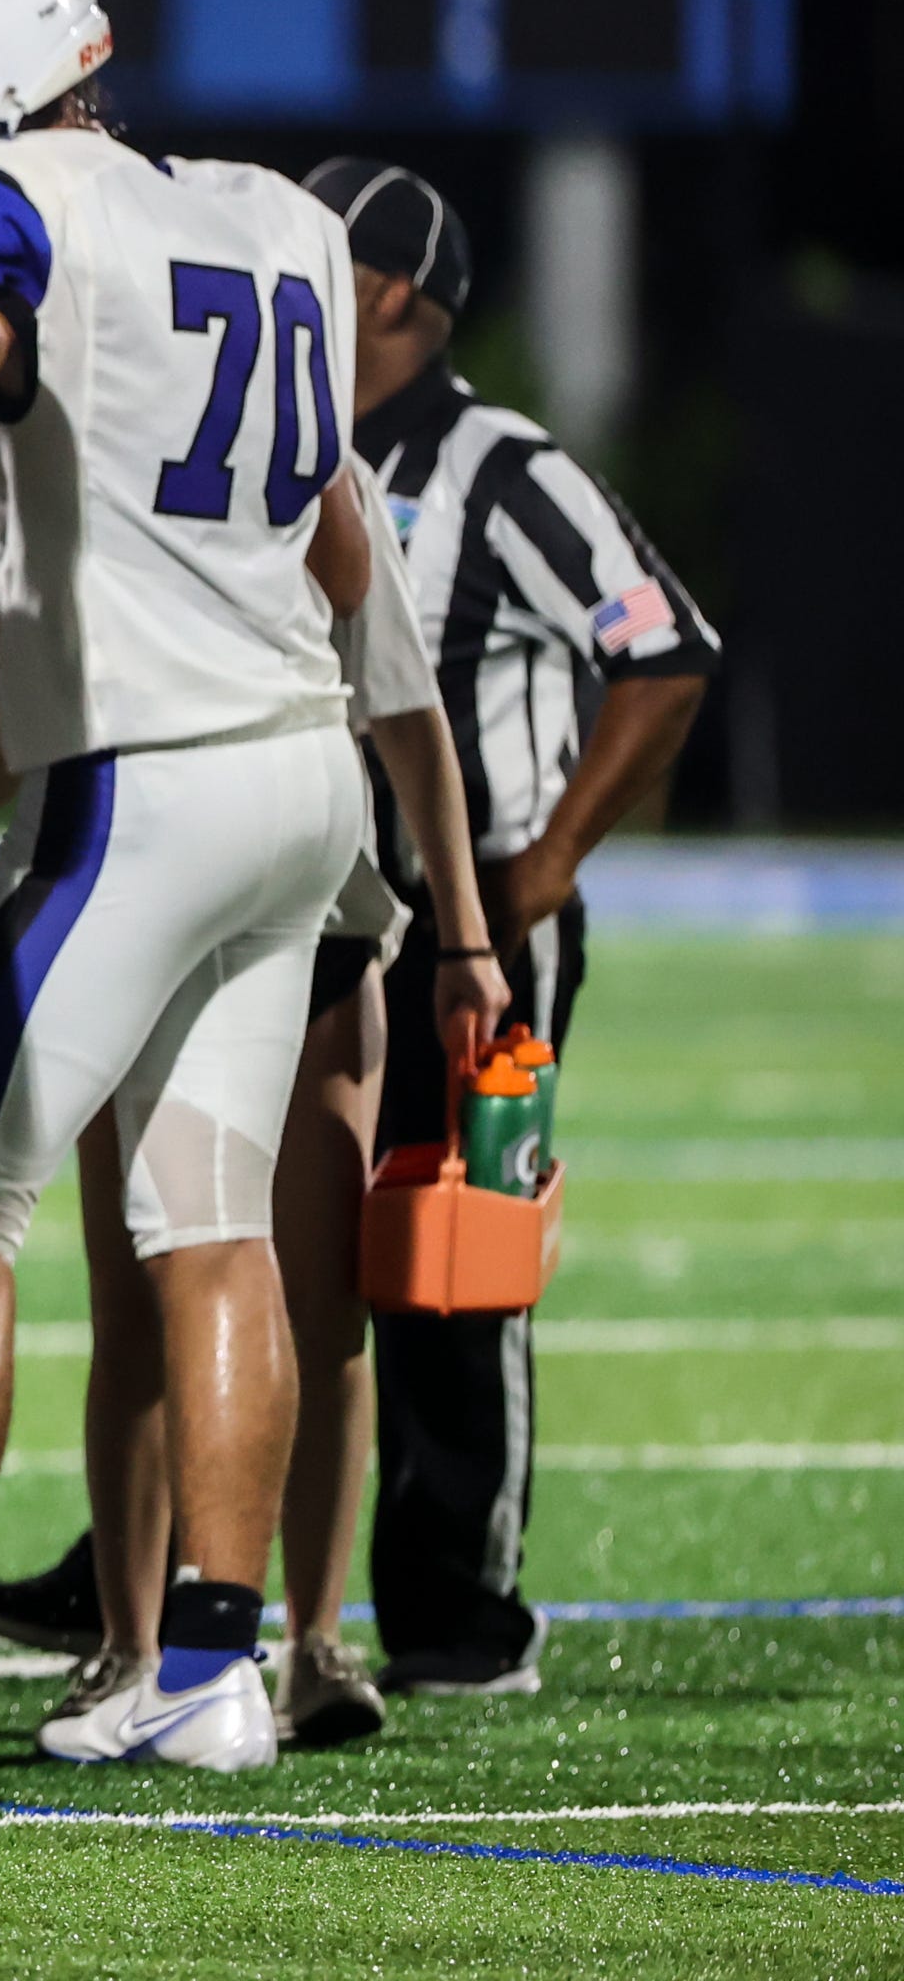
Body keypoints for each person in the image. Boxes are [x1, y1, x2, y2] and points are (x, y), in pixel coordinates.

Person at [0, 0, 373, 1779]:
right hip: (303, 761)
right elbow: (345, 544)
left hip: (137, 779)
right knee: (212, 1223)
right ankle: (215, 1670)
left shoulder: (12, 217)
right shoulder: (288, 220)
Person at [0, 453, 509, 1749]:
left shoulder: (91, 434)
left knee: (272, 1292)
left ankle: (270, 1638)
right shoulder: (204, 427)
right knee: (193, 1288)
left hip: (187, 880)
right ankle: (180, 1645)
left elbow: (402, 701)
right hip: (262, 869)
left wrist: (466, 936)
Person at [317, 155, 717, 1697]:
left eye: (325, 256)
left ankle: (453, 1605)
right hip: (321, 897)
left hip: (473, 917)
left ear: (396, 292)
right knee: (277, 1238)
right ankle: (169, 1571)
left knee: (458, 1258)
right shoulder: (284, 437)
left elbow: (665, 647)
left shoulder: (500, 461)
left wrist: (545, 860)